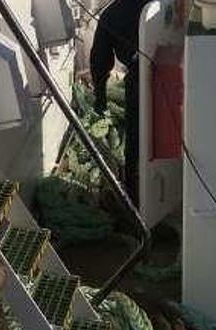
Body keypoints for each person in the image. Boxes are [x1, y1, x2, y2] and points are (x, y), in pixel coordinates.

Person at [90, 0, 153, 207]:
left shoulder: (111, 15)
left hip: (138, 83)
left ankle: (134, 199)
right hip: (175, 76)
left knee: (136, 141)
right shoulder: (158, 5)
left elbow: (100, 61)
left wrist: (100, 99)